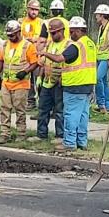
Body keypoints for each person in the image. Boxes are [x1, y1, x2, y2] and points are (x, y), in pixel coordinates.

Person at [41, 16, 97, 152]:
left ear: (78, 31)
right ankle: (81, 142)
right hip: (87, 85)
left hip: (74, 86)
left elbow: (60, 58)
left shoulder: (76, 46)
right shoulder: (90, 44)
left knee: (71, 115)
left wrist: (44, 53)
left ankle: (69, 143)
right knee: (83, 115)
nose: (71, 35)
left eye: (72, 32)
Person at [0, 20, 39, 144]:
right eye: (8, 35)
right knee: (4, 109)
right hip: (6, 83)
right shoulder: (5, 45)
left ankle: (21, 133)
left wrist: (25, 72)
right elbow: (0, 60)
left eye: (12, 35)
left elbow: (34, 63)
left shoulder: (28, 46)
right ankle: (4, 133)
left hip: (21, 83)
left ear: (18, 32)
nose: (10, 37)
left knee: (20, 110)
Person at [29, 17, 66, 145]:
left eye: (55, 32)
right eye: (51, 33)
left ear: (62, 31)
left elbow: (66, 64)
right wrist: (40, 76)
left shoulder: (67, 44)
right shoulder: (50, 44)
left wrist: (63, 78)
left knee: (59, 110)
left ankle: (60, 135)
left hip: (59, 82)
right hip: (47, 81)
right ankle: (41, 134)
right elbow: (45, 62)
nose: (52, 35)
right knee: (43, 108)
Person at [19, 0, 43, 111]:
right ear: (28, 9)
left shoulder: (41, 23)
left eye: (36, 10)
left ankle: (42, 102)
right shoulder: (22, 22)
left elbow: (43, 38)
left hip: (37, 54)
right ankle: (30, 101)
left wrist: (34, 39)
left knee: (39, 79)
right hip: (25, 55)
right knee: (28, 79)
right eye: (32, 9)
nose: (34, 12)